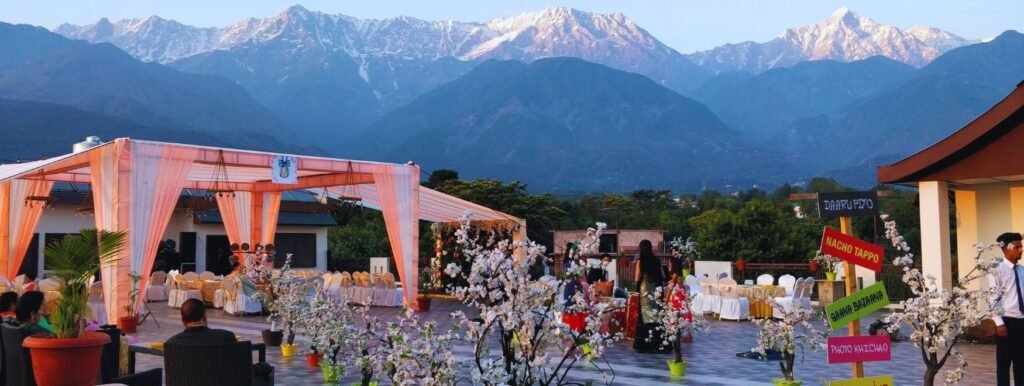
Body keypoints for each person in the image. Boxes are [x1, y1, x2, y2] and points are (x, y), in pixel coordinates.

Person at [166, 299, 275, 379]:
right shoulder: (224, 337)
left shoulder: (172, 343)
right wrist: (264, 367)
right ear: (204, 317)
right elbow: (242, 368)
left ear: (182, 320)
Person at [989, 232, 1024, 386]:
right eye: (1017, 247)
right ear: (1006, 248)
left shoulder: (1022, 270)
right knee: (1004, 364)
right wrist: (999, 323)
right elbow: (992, 298)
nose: (1021, 250)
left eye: (1021, 246)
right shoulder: (997, 269)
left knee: (1021, 363)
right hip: (1007, 322)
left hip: (1022, 321)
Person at [633, 239, 669, 353]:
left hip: (645, 291)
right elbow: (663, 275)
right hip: (657, 290)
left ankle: (645, 344)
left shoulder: (641, 261)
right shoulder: (657, 260)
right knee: (657, 316)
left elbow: (637, 278)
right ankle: (659, 343)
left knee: (645, 317)